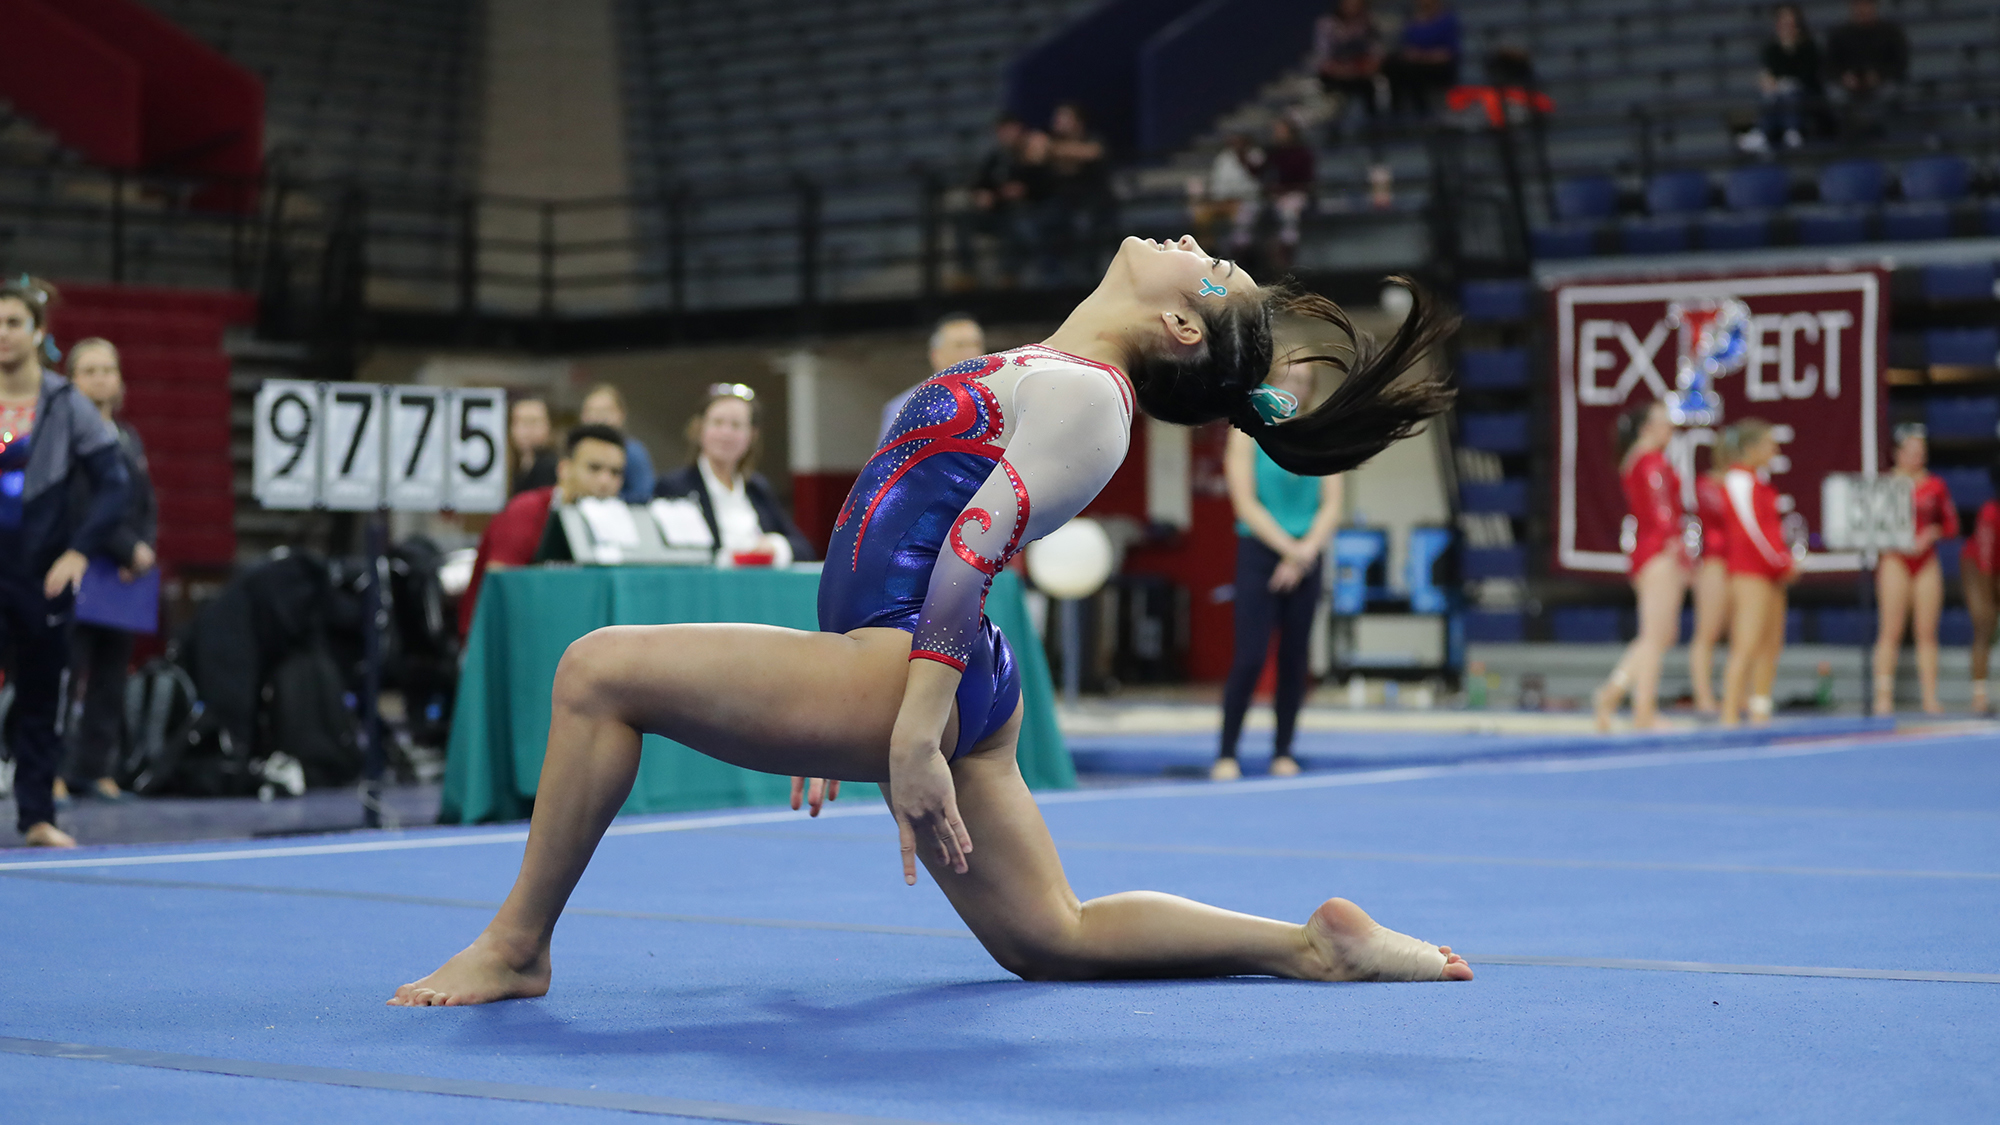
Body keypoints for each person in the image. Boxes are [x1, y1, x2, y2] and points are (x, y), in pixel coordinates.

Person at [388, 234, 1467, 1007]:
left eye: (1210, 267)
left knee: (593, 670)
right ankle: (1308, 948)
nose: (1193, 240)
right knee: (1051, 937)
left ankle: (517, 946)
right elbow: (910, 510)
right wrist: (834, 706)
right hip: (901, 659)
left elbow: (969, 546)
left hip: (914, 657)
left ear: (1179, 326)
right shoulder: (1047, 368)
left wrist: (900, 726)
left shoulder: (1093, 396)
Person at [0, 278, 128, 848]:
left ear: (39, 333)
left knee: (39, 697)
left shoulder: (62, 401)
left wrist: (78, 551)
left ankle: (36, 817)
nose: (3, 336)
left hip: (39, 569)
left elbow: (115, 482)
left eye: (13, 324)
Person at [1214, 358, 1343, 781]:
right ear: (1271, 383)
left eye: (1303, 381)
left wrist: (1303, 553)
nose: (1295, 386)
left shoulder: (1322, 434)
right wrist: (1288, 549)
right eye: (1287, 378)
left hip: (1307, 555)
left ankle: (1283, 750)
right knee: (1249, 656)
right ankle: (1227, 752)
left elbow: (1331, 504)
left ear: (1311, 390)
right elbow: (1245, 503)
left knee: (1294, 658)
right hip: (1260, 550)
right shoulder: (1246, 431)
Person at [61, 337, 156, 804]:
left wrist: (146, 548)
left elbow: (144, 501)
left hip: (121, 582)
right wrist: (126, 549)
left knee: (110, 677)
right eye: (90, 370)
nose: (101, 378)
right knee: (65, 673)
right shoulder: (66, 438)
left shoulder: (128, 436)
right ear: (72, 380)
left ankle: (93, 770)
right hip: (78, 568)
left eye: (108, 370)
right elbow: (84, 504)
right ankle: (52, 771)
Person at [456, 424, 627, 639]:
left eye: (615, 473)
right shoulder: (525, 511)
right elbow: (501, 591)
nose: (605, 481)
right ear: (564, 469)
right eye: (594, 468)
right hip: (498, 641)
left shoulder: (616, 522)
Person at [1592, 400, 1687, 733]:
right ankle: (1642, 711)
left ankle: (1612, 694)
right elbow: (1662, 510)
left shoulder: (1637, 459)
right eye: (1663, 422)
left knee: (1659, 635)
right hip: (1658, 550)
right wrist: (1676, 546)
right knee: (1654, 636)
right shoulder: (1651, 461)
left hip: (1648, 550)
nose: (1670, 429)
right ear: (1647, 428)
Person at [654, 385, 814, 565]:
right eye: (717, 423)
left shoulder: (757, 488)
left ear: (752, 435)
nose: (726, 433)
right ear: (700, 428)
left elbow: (804, 548)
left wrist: (775, 546)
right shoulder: (674, 487)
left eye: (736, 425)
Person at [1872, 424, 1955, 716]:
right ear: (1897, 453)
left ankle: (1930, 697)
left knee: (1926, 632)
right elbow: (1873, 526)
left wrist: (1931, 533)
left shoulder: (1935, 485)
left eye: (1921, 452)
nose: (1917, 457)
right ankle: (1883, 696)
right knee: (1890, 630)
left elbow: (1950, 524)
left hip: (1925, 560)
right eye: (1911, 452)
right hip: (1895, 559)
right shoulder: (1886, 485)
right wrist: (1898, 542)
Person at [1719, 419, 1794, 728]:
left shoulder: (1759, 482)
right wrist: (1781, 562)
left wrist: (1782, 560)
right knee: (1747, 643)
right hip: (1750, 572)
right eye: (1768, 444)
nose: (1774, 450)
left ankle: (1760, 706)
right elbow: (1751, 530)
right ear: (1750, 448)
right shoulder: (1738, 480)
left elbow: (1770, 530)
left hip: (1770, 572)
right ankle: (1729, 714)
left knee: (1770, 642)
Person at [1314, 0, 1391, 208]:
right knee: (1329, 87)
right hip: (1337, 74)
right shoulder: (1327, 25)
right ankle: (1333, 130)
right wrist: (1343, 71)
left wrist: (1364, 68)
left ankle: (1375, 129)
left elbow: (1377, 52)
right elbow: (1323, 59)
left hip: (1361, 74)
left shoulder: (1368, 23)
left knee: (1371, 87)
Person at [1686, 427, 1739, 715]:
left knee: (1739, 634)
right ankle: (1703, 695)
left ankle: (1736, 693)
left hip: (1740, 564)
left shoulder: (1745, 484)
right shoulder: (1707, 484)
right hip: (1715, 563)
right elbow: (1724, 515)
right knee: (1708, 631)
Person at [953, 115, 1034, 289]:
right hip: (998, 213)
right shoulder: (996, 157)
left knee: (1017, 224)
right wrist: (981, 195)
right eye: (1001, 131)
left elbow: (1037, 185)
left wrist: (1024, 191)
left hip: (1025, 213)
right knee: (962, 218)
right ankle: (967, 273)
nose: (1005, 135)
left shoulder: (1030, 154)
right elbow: (978, 184)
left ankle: (1008, 276)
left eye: (1009, 130)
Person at [880, 314, 987, 445]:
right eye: (960, 346)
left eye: (976, 345)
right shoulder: (905, 409)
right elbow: (889, 463)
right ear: (936, 355)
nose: (971, 354)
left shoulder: (1000, 402)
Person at [1044, 103, 1115, 286]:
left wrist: (1053, 150)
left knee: (1085, 226)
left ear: (1078, 122)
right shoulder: (1051, 142)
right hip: (1063, 203)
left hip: (1094, 202)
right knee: (1046, 225)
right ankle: (1056, 284)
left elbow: (1092, 152)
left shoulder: (1092, 139)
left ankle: (1090, 282)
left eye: (1064, 118)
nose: (1057, 122)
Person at [1738, 4, 1820, 155]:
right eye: (1783, 21)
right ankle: (1763, 133)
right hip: (1778, 92)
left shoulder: (1808, 47)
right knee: (1769, 94)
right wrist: (1768, 81)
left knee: (1790, 92)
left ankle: (1792, 131)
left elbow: (1807, 75)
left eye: (1790, 22)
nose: (1786, 26)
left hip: (1805, 92)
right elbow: (1770, 72)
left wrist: (1786, 81)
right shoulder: (1771, 49)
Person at [1824, 0, 1906, 138]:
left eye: (1867, 5)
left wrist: (1879, 76)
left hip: (1881, 83)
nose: (1862, 9)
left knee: (1890, 91)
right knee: (1834, 94)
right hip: (1848, 86)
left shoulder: (1891, 32)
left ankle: (1862, 126)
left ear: (1875, 7)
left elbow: (1900, 64)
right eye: (1858, 5)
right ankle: (1863, 127)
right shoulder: (1838, 34)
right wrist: (1843, 78)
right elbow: (1828, 66)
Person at [1960, 458, 2000, 714]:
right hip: (1978, 568)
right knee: (1985, 623)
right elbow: (1985, 561)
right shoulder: (1990, 512)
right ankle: (1979, 696)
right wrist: (1991, 599)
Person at [1186, 133, 1264, 256]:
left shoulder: (1255, 155)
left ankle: (1242, 255)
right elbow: (1217, 182)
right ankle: (1209, 250)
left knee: (1243, 221)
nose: (1236, 143)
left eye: (1239, 141)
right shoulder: (1224, 157)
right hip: (1221, 201)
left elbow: (1258, 177)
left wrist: (1242, 157)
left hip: (1244, 200)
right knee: (1199, 212)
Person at [577, 383, 655, 503]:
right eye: (591, 411)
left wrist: (607, 501)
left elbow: (643, 495)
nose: (598, 418)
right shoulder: (576, 449)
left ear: (621, 414)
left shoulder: (633, 453)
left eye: (605, 411)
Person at [1383, 0, 1461, 118]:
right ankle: (1395, 111)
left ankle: (1422, 112)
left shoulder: (1447, 21)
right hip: (1413, 66)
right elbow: (1405, 48)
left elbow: (1449, 53)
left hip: (1439, 68)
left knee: (1412, 71)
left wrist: (1422, 56)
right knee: (1393, 65)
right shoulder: (1411, 22)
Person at [1261, 117, 1316, 272]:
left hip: (1297, 194)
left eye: (1281, 130)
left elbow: (1308, 181)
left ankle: (1286, 250)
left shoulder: (1302, 152)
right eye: (1276, 131)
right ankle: (1245, 250)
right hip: (1276, 197)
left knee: (1289, 209)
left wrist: (1284, 191)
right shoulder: (1272, 152)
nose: (1277, 134)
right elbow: (1260, 173)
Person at [508, 395, 557, 496]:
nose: (528, 429)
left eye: (534, 421)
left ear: (548, 426)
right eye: (522, 421)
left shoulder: (556, 468)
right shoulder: (504, 466)